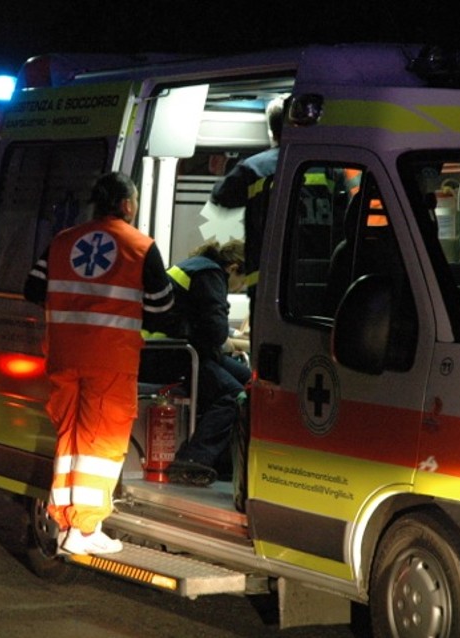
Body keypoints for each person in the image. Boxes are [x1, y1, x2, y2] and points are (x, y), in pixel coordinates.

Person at [24, 171, 175, 556]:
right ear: (127, 205)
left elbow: (33, 289)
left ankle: (66, 521)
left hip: (63, 356)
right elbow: (162, 310)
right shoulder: (139, 247)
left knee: (70, 441)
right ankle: (85, 530)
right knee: (99, 445)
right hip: (109, 360)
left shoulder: (62, 242)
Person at [164, 240, 251, 486]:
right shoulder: (210, 274)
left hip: (181, 349)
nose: (238, 288)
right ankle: (193, 461)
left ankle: (223, 460)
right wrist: (223, 341)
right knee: (234, 394)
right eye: (241, 282)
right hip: (173, 354)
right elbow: (216, 331)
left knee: (250, 381)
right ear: (233, 268)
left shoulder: (199, 267)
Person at [209, 94, 287, 330]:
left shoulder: (255, 167)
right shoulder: (327, 167)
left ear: (272, 132)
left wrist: (234, 167)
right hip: (312, 281)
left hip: (265, 282)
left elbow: (221, 197)